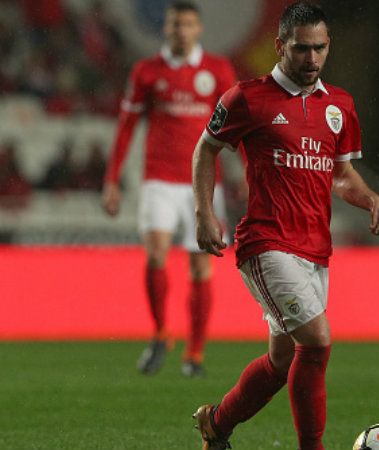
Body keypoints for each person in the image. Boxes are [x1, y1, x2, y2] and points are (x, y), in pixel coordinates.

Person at [190, 3, 379, 449]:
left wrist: (372, 199)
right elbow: (206, 149)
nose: (312, 59)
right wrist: (205, 212)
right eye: (302, 49)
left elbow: (340, 174)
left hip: (316, 249)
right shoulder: (247, 97)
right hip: (266, 242)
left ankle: (217, 424)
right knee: (317, 343)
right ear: (280, 46)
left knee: (282, 362)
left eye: (320, 48)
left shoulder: (338, 105)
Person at [102, 1, 237, 377]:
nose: (181, 30)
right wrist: (111, 179)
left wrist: (250, 172)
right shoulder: (147, 71)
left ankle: (194, 354)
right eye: (175, 24)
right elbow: (127, 124)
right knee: (156, 252)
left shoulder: (218, 70)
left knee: (199, 266)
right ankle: (161, 332)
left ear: (199, 29)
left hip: (204, 184)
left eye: (188, 24)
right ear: (166, 28)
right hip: (159, 179)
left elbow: (236, 126)